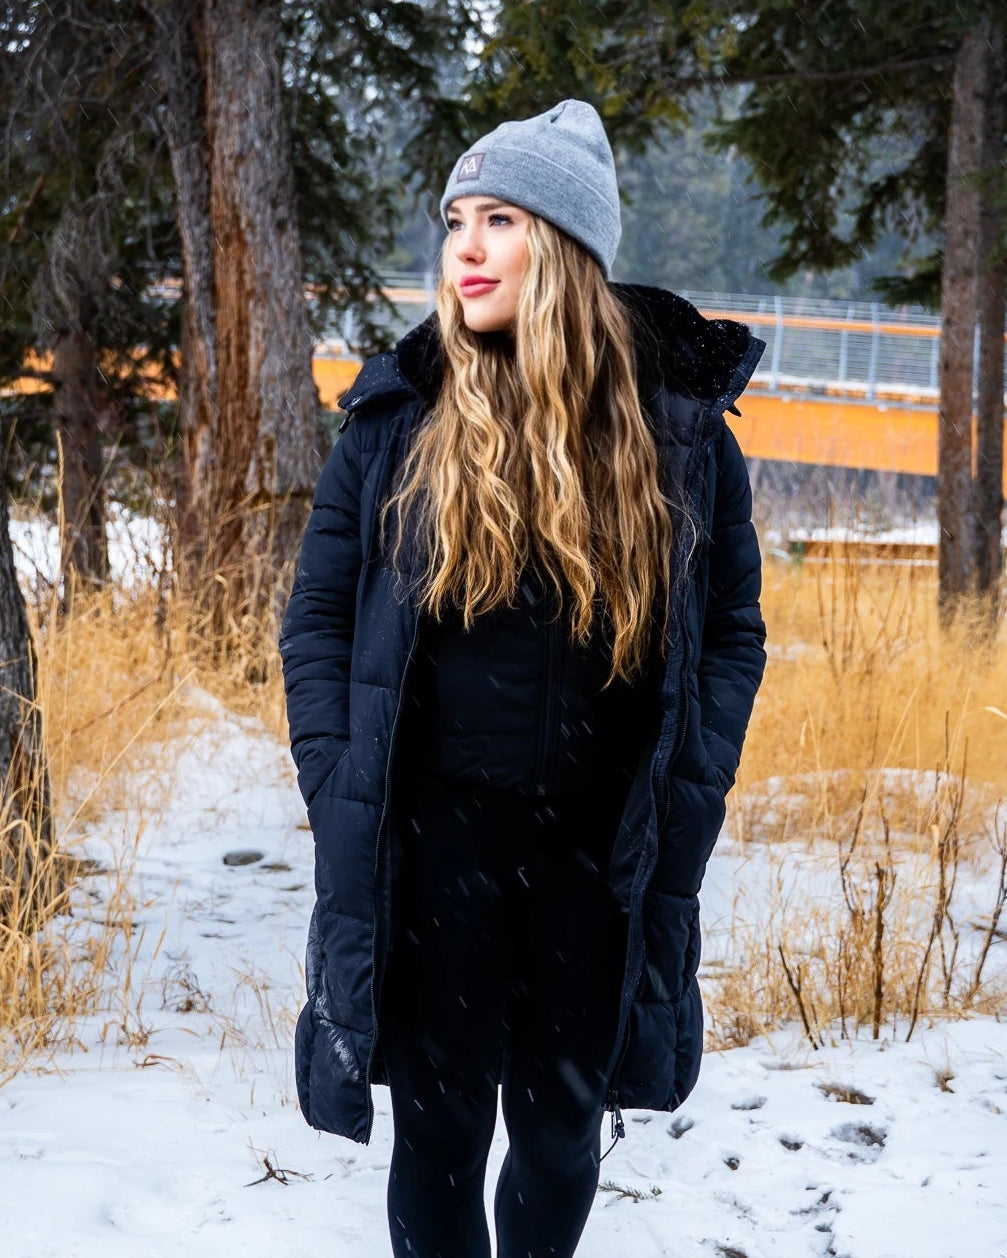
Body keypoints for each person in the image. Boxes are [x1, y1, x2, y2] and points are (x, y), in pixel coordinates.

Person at [280, 99, 767, 1258]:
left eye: (498, 218)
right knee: (439, 1140)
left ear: (561, 248)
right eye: (455, 219)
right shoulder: (396, 420)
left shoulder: (678, 434)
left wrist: (693, 773)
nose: (464, 245)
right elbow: (315, 620)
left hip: (595, 860)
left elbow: (731, 631)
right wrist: (335, 772)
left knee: (557, 1140)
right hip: (437, 847)